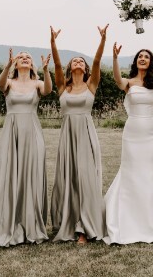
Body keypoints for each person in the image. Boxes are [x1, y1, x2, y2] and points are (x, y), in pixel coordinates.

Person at [103, 44, 153, 245]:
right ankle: (129, 217)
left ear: (150, 62)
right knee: (131, 170)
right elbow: (116, 79)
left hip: (151, 131)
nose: (142, 58)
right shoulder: (129, 83)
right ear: (136, 61)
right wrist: (114, 59)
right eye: (140, 56)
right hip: (132, 132)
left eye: (146, 57)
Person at [0, 49, 52, 247]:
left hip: (32, 132)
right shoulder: (9, 83)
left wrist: (47, 70)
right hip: (11, 132)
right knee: (9, 175)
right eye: (21, 56)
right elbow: (0, 84)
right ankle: (8, 223)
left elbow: (47, 90)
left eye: (28, 57)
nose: (24, 58)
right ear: (16, 62)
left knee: (30, 176)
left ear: (32, 65)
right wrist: (6, 65)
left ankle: (30, 224)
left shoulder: (37, 83)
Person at [49, 24, 109, 244]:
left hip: (85, 134)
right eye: (75, 61)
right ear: (70, 67)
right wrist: (53, 42)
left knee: (85, 179)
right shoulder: (63, 87)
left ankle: (84, 227)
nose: (79, 63)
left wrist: (102, 40)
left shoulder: (91, 85)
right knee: (68, 179)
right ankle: (69, 221)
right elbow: (55, 63)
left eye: (81, 61)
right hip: (67, 136)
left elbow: (96, 62)